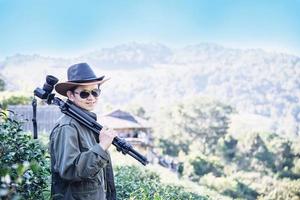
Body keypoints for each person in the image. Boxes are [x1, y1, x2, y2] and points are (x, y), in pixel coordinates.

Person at [49, 63, 117, 200]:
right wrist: (102, 146)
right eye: (84, 93)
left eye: (95, 92)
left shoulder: (86, 123)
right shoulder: (68, 127)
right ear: (71, 95)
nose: (91, 97)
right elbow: (69, 170)